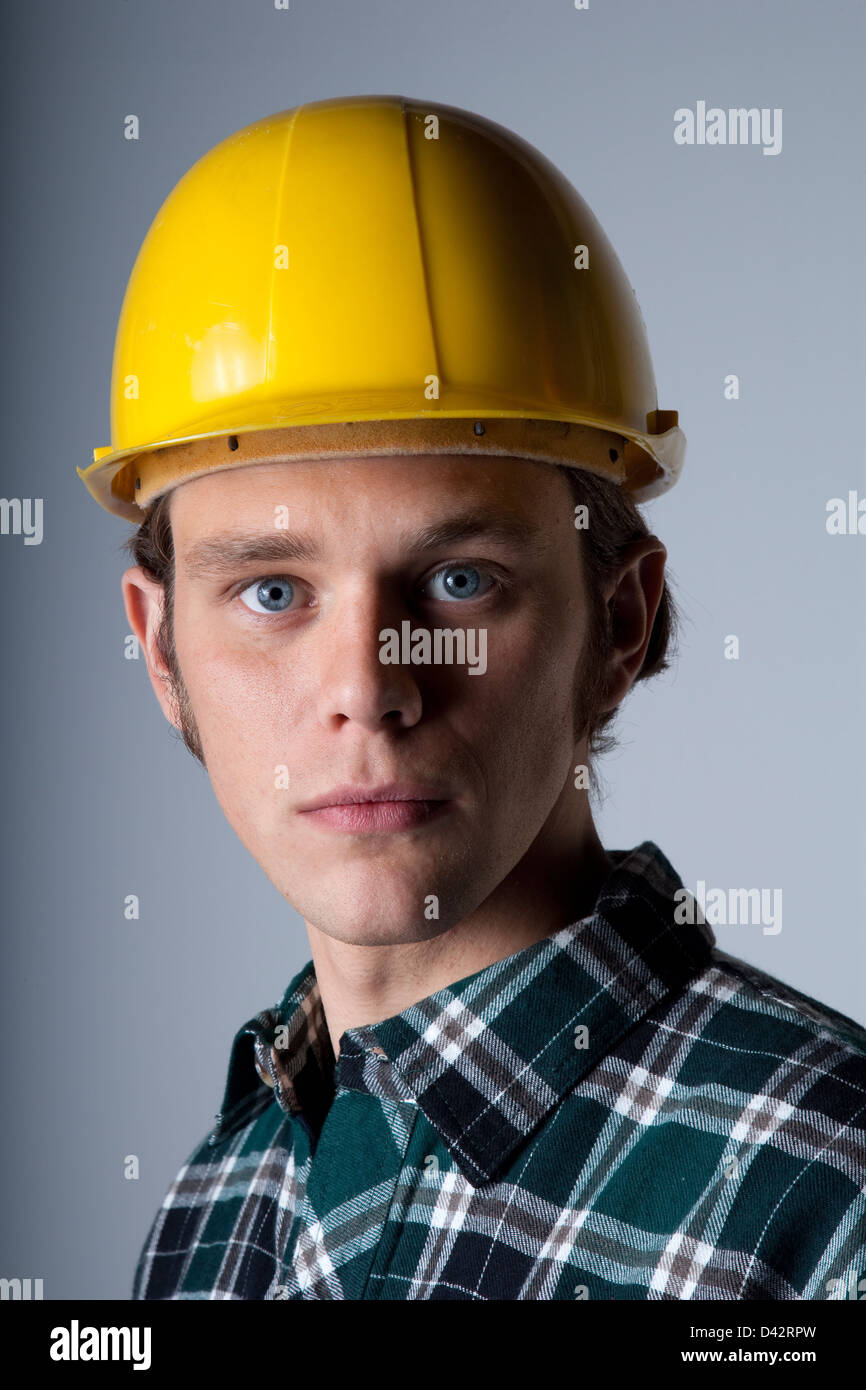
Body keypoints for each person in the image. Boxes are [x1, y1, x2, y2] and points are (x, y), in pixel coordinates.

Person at [81, 95, 866, 1301]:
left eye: (457, 581)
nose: (366, 688)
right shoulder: (211, 1202)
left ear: (617, 621)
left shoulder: (825, 1204)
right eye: (273, 592)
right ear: (160, 645)